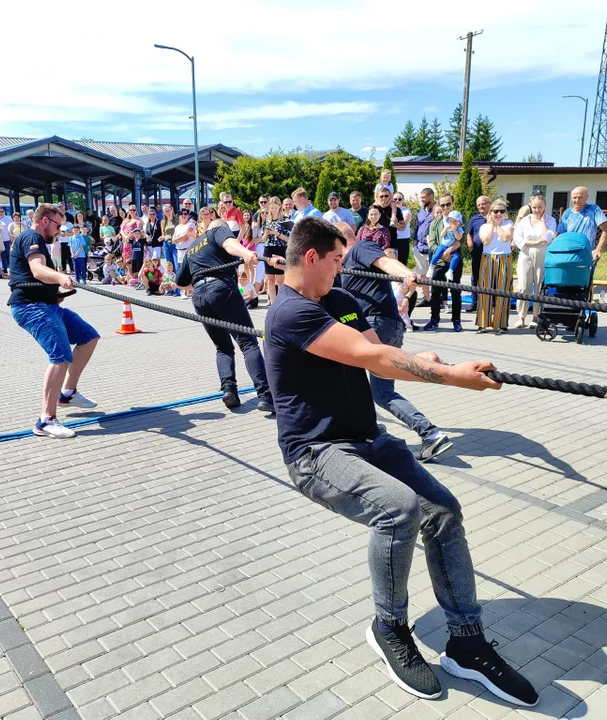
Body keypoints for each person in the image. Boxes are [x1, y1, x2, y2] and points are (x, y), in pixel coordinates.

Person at [264, 216, 538, 708]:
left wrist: (433, 362)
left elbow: (378, 350)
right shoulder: (289, 313)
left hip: (369, 439)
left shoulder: (340, 302)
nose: (340, 271)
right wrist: (451, 377)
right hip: (317, 453)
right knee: (398, 508)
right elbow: (376, 362)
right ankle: (389, 627)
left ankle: (467, 643)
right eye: (335, 261)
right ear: (310, 257)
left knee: (445, 511)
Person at [339, 221, 453, 462]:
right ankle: (430, 434)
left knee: (345, 380)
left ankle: (365, 436)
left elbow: (385, 262)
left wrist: (407, 274)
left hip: (375, 326)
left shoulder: (360, 249)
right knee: (382, 393)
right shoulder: (341, 268)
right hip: (383, 328)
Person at [7, 204, 100, 438]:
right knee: (60, 357)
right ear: (46, 221)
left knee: (89, 337)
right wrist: (60, 276)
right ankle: (45, 420)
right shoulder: (31, 236)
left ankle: (67, 393)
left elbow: (34, 277)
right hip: (31, 307)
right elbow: (37, 270)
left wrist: (54, 292)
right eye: (59, 226)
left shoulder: (38, 239)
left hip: (48, 304)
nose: (60, 231)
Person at [176, 216, 273, 412]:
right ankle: (265, 395)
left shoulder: (194, 246)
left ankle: (229, 390)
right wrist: (246, 253)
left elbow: (180, 282)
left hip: (200, 298)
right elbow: (229, 243)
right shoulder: (216, 231)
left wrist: (199, 284)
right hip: (221, 289)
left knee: (222, 346)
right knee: (248, 342)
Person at [422, 195, 464, 332]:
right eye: (443, 205)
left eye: (448, 204)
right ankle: (434, 319)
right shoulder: (435, 223)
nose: (445, 207)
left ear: (453, 204)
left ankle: (456, 321)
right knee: (435, 292)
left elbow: (460, 241)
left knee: (455, 291)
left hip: (454, 260)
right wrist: (443, 255)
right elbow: (433, 243)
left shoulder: (459, 219)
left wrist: (448, 252)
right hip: (439, 262)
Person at [513, 194, 556, 328]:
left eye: (540, 207)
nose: (537, 210)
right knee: (523, 285)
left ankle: (536, 316)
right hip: (526, 254)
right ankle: (521, 316)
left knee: (539, 285)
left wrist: (542, 221)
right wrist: (534, 242)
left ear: (545, 207)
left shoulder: (550, 220)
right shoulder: (524, 221)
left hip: (542, 253)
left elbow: (547, 237)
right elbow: (518, 238)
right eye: (534, 207)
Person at [476, 198, 516, 334]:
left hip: (504, 259)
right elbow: (486, 241)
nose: (498, 214)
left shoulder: (508, 224)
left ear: (505, 213)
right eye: (495, 211)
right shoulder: (484, 227)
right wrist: (492, 225)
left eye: (501, 211)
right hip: (487, 258)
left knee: (503, 291)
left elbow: (506, 238)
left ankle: (501, 323)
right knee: (485, 290)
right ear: (490, 212)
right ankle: (483, 323)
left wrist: (497, 226)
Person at [557, 186, 607, 260]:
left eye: (580, 197)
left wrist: (598, 250)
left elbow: (606, 230)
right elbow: (559, 234)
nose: (577, 200)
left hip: (587, 254)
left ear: (586, 197)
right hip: (569, 255)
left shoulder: (594, 209)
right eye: (574, 197)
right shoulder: (567, 213)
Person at [259, 196, 291, 304]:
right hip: (268, 249)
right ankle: (273, 304)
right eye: (271, 208)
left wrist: (276, 233)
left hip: (280, 249)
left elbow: (289, 239)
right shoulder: (266, 221)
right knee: (270, 280)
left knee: (281, 280)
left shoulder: (285, 221)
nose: (272, 210)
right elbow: (263, 239)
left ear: (279, 207)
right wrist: (266, 234)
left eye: (275, 207)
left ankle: (282, 303)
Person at [466, 196, 491, 311]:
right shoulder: (474, 219)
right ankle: (474, 303)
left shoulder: (495, 217)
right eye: (479, 204)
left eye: (483, 203)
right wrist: (470, 246)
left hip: (492, 254)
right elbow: (469, 234)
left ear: (489, 204)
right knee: (475, 278)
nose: (481, 206)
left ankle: (490, 303)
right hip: (477, 252)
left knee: (490, 278)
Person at [413, 188, 436, 306]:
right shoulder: (420, 211)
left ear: (431, 196)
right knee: (422, 275)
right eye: (421, 197)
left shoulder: (437, 211)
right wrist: (415, 242)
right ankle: (427, 299)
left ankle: (438, 299)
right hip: (420, 247)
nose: (422, 200)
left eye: (424, 197)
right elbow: (417, 226)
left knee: (435, 275)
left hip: (432, 248)